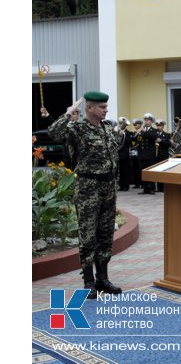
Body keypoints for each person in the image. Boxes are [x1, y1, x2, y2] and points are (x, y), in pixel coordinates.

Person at [47, 92, 122, 299]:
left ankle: (103, 279)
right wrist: (69, 112)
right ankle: (89, 282)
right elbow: (53, 132)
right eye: (102, 107)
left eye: (106, 107)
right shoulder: (77, 129)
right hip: (88, 186)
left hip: (108, 187)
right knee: (88, 235)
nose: (106, 110)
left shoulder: (107, 128)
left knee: (106, 234)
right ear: (89, 108)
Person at [136, 113, 158, 195]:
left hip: (150, 155)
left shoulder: (154, 130)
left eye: (148, 120)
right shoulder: (141, 130)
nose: (146, 121)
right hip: (142, 154)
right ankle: (145, 188)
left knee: (151, 172)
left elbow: (153, 137)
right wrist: (138, 132)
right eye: (145, 120)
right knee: (143, 172)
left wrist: (144, 131)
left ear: (151, 121)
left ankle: (152, 188)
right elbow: (136, 139)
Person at [115, 117, 134, 191]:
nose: (121, 125)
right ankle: (121, 185)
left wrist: (123, 136)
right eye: (121, 123)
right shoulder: (116, 131)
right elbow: (115, 141)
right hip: (118, 153)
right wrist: (118, 136)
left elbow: (129, 141)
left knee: (125, 170)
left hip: (125, 154)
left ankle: (126, 186)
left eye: (123, 124)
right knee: (120, 171)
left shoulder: (128, 133)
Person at [154, 119, 171, 192]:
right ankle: (158, 187)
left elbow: (169, 144)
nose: (158, 127)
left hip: (163, 156)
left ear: (163, 126)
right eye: (157, 125)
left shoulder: (167, 135)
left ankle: (164, 187)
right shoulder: (154, 134)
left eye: (160, 126)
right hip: (156, 156)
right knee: (158, 172)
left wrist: (162, 141)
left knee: (164, 171)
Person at [129, 118, 143, 189]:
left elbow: (140, 142)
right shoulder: (134, 133)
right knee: (135, 169)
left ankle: (142, 184)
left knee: (140, 168)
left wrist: (135, 146)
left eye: (136, 124)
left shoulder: (142, 132)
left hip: (140, 152)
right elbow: (132, 140)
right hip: (134, 153)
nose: (134, 125)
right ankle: (136, 183)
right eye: (134, 124)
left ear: (140, 125)